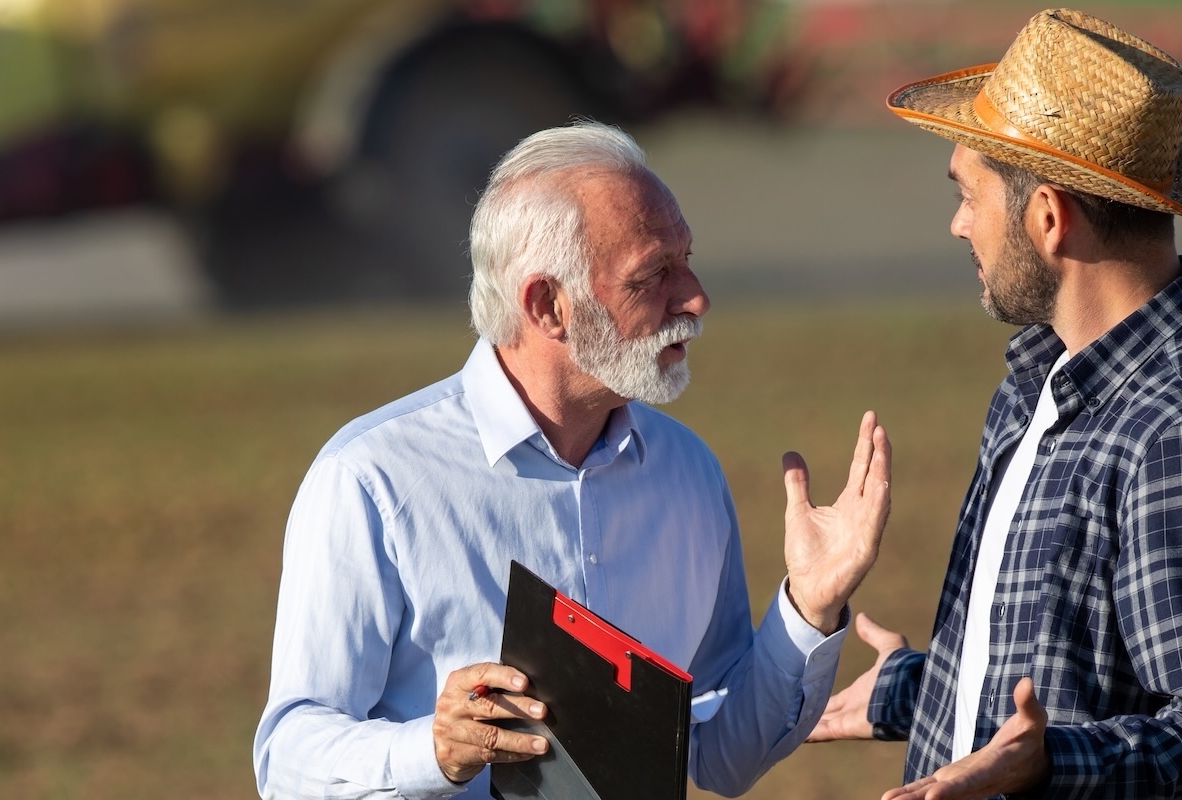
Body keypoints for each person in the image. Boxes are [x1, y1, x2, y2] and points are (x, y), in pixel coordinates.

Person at [252, 120, 892, 799]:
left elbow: (720, 753)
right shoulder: (373, 479)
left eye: (688, 260)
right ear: (547, 306)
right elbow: (288, 760)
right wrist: (432, 750)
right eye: (655, 275)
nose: (697, 298)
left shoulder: (688, 473)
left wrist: (809, 608)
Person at [807, 8, 1182, 800]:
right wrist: (926, 687)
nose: (957, 224)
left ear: (1047, 218)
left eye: (968, 195)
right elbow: (1059, 662)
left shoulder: (1165, 432)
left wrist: (1051, 766)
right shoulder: (1036, 385)